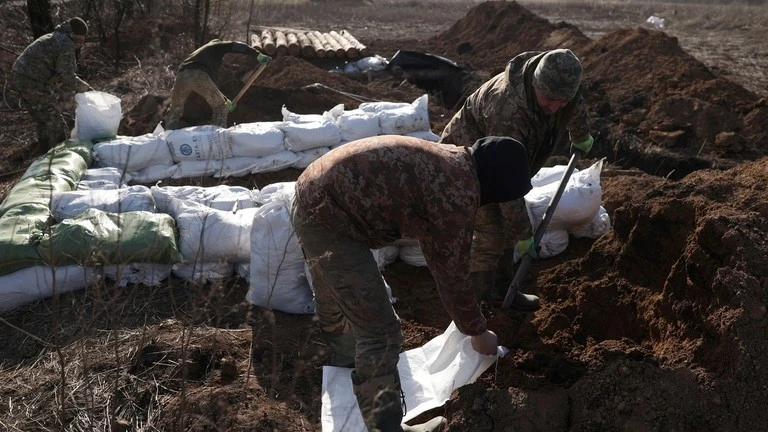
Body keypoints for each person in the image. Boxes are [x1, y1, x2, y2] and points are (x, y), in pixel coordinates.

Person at [291, 134, 532, 432]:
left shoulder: (454, 161)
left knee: (337, 297)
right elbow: (451, 274)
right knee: (380, 332)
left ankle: (345, 364)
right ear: (497, 185)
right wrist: (478, 331)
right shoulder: (457, 192)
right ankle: (386, 427)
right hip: (330, 220)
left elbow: (435, 249)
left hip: (312, 194)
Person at [439, 48, 594, 309]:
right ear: (535, 83)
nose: (554, 107)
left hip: (504, 160)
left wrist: (581, 136)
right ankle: (478, 305)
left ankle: (502, 292)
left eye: (561, 101)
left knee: (507, 228)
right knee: (491, 230)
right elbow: (505, 185)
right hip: (467, 158)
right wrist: (524, 232)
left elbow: (574, 107)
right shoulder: (507, 109)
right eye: (548, 99)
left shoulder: (562, 87)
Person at [12, 17, 93, 154]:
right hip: (32, 81)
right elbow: (67, 76)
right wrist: (88, 90)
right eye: (81, 38)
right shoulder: (65, 44)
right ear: (76, 35)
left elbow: (58, 73)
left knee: (43, 122)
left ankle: (47, 156)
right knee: (54, 123)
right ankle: (61, 158)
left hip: (22, 77)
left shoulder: (56, 36)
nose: (82, 41)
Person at [164, 39, 272, 130]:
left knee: (175, 109)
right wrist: (257, 55)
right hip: (198, 74)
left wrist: (226, 100)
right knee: (220, 108)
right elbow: (236, 45)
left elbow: (210, 85)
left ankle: (168, 137)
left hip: (182, 76)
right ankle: (218, 138)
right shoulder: (216, 45)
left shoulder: (200, 55)